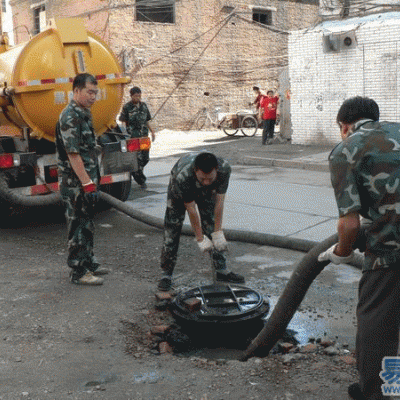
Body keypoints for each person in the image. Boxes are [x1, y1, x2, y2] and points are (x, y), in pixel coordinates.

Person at [318, 96, 400, 400]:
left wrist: (342, 252)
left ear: (344, 126)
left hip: (390, 252)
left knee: (377, 324)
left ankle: (376, 393)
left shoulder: (346, 150)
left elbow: (350, 224)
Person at [157, 151, 245, 291]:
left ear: (216, 169)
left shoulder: (224, 169)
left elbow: (219, 202)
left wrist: (217, 232)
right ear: (195, 170)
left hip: (206, 191)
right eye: (203, 178)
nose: (206, 182)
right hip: (179, 190)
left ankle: (221, 270)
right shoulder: (184, 176)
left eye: (210, 178)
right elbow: (191, 209)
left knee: (210, 223)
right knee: (172, 229)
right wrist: (199, 238)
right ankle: (166, 274)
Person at [56, 73, 108, 286]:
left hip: (86, 181)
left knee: (87, 223)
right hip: (75, 183)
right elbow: (73, 154)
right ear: (76, 91)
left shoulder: (84, 113)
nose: (93, 96)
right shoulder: (70, 116)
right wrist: (87, 183)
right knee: (77, 225)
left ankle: (89, 262)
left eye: (95, 92)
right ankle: (78, 271)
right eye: (89, 92)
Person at [119, 86, 156, 189]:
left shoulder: (144, 106)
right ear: (131, 96)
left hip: (144, 136)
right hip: (133, 138)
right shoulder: (127, 107)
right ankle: (141, 180)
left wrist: (152, 132)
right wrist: (125, 134)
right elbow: (123, 122)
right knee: (137, 159)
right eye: (136, 96)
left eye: (139, 96)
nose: (138, 98)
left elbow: (147, 120)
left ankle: (135, 172)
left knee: (145, 158)